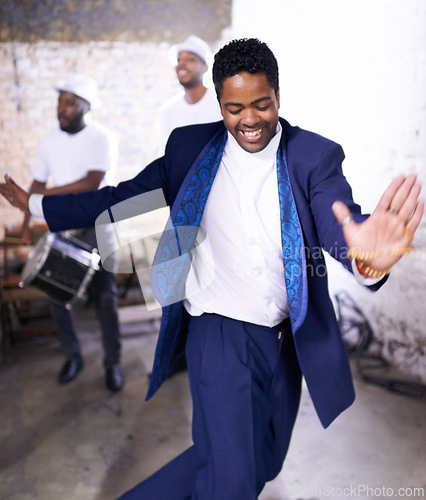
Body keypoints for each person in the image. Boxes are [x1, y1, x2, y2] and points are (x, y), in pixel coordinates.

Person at [1, 39, 423, 499]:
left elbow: (338, 220)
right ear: (219, 103)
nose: (249, 120)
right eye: (234, 108)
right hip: (219, 336)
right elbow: (119, 198)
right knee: (233, 482)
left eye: (261, 105)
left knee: (262, 459)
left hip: (285, 340)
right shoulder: (189, 149)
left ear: (277, 97)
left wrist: (363, 256)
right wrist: (38, 204)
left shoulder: (313, 156)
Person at [16, 73, 124, 392]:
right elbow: (37, 182)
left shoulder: (101, 138)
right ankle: (73, 357)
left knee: (105, 298)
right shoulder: (49, 140)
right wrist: (25, 222)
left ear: (86, 107)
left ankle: (113, 364)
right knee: (57, 293)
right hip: (63, 225)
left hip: (99, 227)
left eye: (70, 102)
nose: (61, 108)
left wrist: (44, 199)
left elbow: (91, 183)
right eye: (60, 101)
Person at [157, 34, 222, 152]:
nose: (181, 64)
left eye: (190, 59)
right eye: (178, 59)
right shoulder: (167, 111)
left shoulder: (222, 105)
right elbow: (165, 157)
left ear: (205, 67)